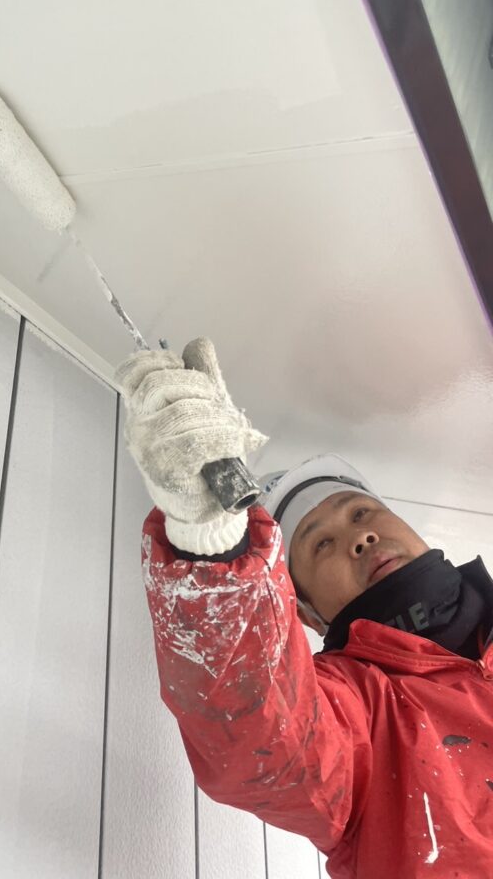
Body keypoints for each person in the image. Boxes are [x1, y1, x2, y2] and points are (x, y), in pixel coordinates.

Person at [116, 338, 493, 879]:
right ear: (309, 615)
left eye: (361, 512)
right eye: (321, 543)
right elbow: (265, 736)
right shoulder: (356, 714)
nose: (360, 537)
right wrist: (211, 536)